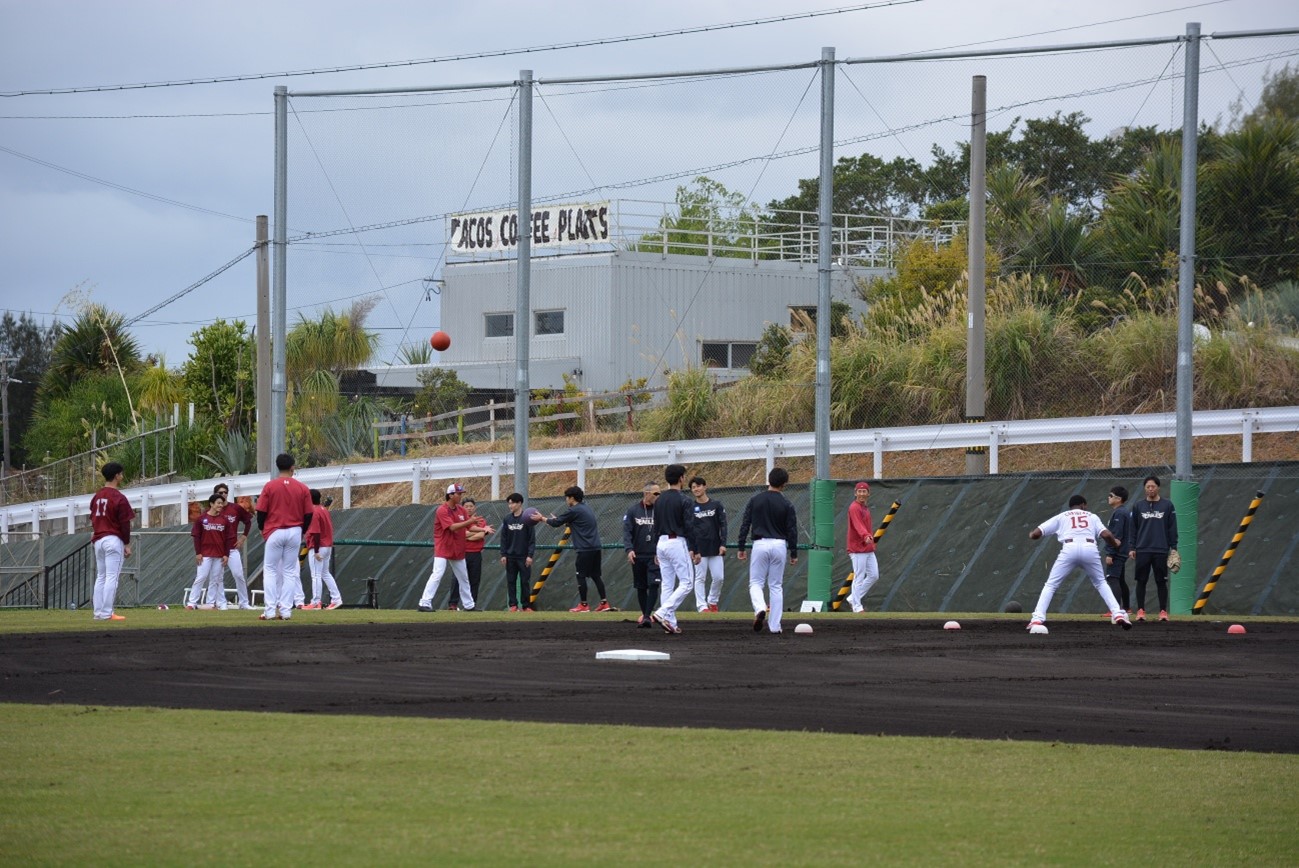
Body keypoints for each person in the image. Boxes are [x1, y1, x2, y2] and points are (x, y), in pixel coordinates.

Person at [1026, 494, 1132, 631]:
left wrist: (1030, 534)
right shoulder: (1092, 516)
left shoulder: (1062, 516)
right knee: (1101, 583)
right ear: (1082, 505)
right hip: (1090, 548)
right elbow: (1106, 535)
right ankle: (1117, 614)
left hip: (1069, 548)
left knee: (1051, 585)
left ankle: (1037, 619)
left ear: (1071, 506)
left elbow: (1036, 534)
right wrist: (1115, 543)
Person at [736, 467, 799, 635]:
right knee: (776, 586)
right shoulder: (787, 503)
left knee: (756, 583)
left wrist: (741, 546)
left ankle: (760, 608)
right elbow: (792, 530)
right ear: (784, 484)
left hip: (760, 544)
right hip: (779, 545)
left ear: (769, 480)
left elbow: (745, 524)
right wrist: (793, 552)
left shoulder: (755, 500)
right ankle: (775, 626)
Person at [255, 452, 314, 621]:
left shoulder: (270, 486)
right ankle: (286, 611)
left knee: (270, 570)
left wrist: (262, 528)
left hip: (274, 530)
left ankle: (270, 611)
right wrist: (302, 531)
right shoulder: (302, 487)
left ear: (277, 466)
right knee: (289, 572)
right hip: (295, 531)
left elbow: (261, 511)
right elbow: (309, 514)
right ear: (292, 467)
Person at [545, 485, 610, 613]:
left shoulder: (573, 510)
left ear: (572, 498)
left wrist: (542, 519)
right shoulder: (586, 508)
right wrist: (559, 520)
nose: (566, 500)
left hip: (584, 548)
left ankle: (584, 605)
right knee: (596, 575)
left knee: (580, 575)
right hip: (595, 547)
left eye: (567, 497)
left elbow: (556, 523)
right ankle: (604, 603)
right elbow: (574, 522)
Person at [649, 464, 697, 634]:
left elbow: (655, 526)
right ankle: (662, 613)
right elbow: (689, 526)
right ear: (681, 478)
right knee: (687, 583)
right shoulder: (685, 500)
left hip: (661, 543)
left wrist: (655, 549)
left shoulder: (659, 500)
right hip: (677, 542)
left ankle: (670, 622)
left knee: (667, 584)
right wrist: (695, 549)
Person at [417, 483, 478, 612]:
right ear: (450, 495)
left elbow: (470, 527)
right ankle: (424, 603)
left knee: (463, 578)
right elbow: (452, 527)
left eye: (461, 493)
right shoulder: (442, 510)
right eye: (458, 493)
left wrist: (484, 529)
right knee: (437, 574)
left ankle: (469, 605)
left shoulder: (461, 510)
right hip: (443, 547)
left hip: (457, 548)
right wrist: (469, 521)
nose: (460, 496)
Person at [1128, 475, 1178, 622]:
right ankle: (1140, 611)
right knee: (1141, 581)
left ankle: (1163, 612)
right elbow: (1133, 528)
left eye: (1153, 486)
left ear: (1158, 487)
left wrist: (1173, 547)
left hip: (1161, 548)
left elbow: (1172, 527)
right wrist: (1132, 547)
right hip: (1142, 548)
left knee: (1161, 581)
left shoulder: (1167, 505)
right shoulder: (1138, 506)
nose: (1150, 489)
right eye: (1148, 487)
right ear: (1145, 489)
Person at [89, 461, 134, 621]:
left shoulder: (97, 496)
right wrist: (127, 544)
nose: (122, 476)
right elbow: (125, 523)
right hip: (113, 539)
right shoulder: (118, 497)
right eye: (121, 473)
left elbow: (93, 517)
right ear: (116, 476)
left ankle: (98, 613)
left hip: (98, 539)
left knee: (101, 576)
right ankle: (107, 613)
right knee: (111, 577)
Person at [623, 481, 662, 627]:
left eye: (660, 493)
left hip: (654, 555)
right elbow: (627, 532)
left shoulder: (661, 511)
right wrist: (629, 549)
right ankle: (646, 615)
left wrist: (661, 551)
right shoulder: (633, 511)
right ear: (647, 493)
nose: (658, 496)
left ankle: (646, 616)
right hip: (638, 554)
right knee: (641, 586)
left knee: (654, 584)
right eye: (656, 493)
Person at [213, 483, 255, 610]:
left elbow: (248, 521)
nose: (223, 494)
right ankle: (221, 602)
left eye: (225, 492)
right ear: (215, 494)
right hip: (217, 549)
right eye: (220, 493)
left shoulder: (235, 508)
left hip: (232, 548)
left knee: (238, 575)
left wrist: (243, 537)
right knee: (218, 577)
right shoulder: (212, 510)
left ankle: (244, 603)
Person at [689, 476, 727, 613]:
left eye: (698, 486)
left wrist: (723, 544)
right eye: (693, 487)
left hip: (715, 547)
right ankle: (702, 606)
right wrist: (692, 548)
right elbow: (689, 529)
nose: (696, 489)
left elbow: (723, 525)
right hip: (699, 549)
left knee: (719, 577)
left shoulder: (716, 505)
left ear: (705, 487)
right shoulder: (691, 508)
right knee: (700, 578)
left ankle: (712, 601)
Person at [303, 489, 343, 610]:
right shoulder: (323, 509)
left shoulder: (314, 511)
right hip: (327, 545)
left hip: (318, 546)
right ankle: (336, 599)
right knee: (325, 573)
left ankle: (316, 602)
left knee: (316, 575)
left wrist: (315, 551)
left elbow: (316, 532)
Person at [450, 498, 493, 610]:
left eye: (471, 506)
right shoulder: (459, 521)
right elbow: (462, 534)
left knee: (474, 580)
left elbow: (480, 535)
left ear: (475, 508)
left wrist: (467, 535)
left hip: (475, 554)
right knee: (457, 579)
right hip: (461, 553)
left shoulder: (480, 520)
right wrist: (475, 532)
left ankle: (471, 605)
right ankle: (453, 605)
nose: (469, 508)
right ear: (462, 508)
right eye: (466, 506)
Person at [189, 493, 231, 610]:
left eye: (222, 503)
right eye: (218, 503)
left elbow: (228, 539)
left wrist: (226, 554)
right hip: (205, 554)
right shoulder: (201, 519)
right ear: (211, 504)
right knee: (201, 577)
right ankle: (191, 602)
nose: (220, 505)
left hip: (219, 555)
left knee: (215, 579)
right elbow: (196, 536)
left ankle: (210, 603)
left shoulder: (224, 520)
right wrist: (198, 553)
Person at [844, 481, 880, 614]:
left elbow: (867, 527)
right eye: (859, 491)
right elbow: (858, 525)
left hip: (867, 548)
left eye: (864, 491)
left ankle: (853, 598)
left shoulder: (865, 508)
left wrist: (871, 541)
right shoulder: (854, 507)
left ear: (868, 494)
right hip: (857, 549)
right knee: (859, 576)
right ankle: (857, 606)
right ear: (855, 493)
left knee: (874, 575)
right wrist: (865, 536)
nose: (862, 494)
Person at [498, 493, 537, 612]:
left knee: (525, 581)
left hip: (523, 557)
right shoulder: (507, 519)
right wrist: (503, 554)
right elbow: (503, 538)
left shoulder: (527, 519)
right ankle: (513, 605)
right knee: (511, 581)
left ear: (519, 503)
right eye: (509, 503)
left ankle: (526, 606)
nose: (510, 506)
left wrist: (530, 555)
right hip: (510, 557)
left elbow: (531, 539)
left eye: (513, 503)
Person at [1104, 486, 1134, 613]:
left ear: (1118, 499)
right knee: (1120, 580)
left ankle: (1115, 610)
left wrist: (1110, 553)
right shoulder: (1122, 512)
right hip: (1122, 551)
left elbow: (1117, 536)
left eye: (1111, 495)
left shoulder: (1120, 513)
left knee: (1112, 578)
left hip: (1117, 552)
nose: (1108, 497)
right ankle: (1126, 608)